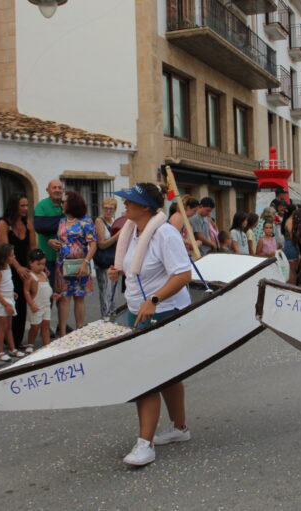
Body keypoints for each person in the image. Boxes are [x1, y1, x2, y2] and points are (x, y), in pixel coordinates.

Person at [107, 183, 192, 467]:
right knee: (167, 374)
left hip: (163, 312)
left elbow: (183, 274)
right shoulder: (134, 232)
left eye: (129, 202)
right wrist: (115, 273)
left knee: (146, 375)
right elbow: (137, 270)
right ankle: (180, 428)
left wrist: (154, 299)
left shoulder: (165, 234)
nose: (124, 206)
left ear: (145, 207)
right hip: (138, 311)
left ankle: (145, 444)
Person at [0, 193, 37, 352]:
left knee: (20, 301)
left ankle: (15, 339)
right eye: (22, 205)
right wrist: (18, 267)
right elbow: (5, 249)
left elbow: (32, 247)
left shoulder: (27, 223)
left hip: (21, 264)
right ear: (14, 206)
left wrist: (36, 264)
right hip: (3, 266)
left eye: (26, 205)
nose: (25, 209)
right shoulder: (3, 223)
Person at [55, 191, 97, 338]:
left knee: (79, 297)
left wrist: (85, 263)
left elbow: (93, 245)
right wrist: (52, 243)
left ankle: (79, 330)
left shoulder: (85, 222)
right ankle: (62, 333)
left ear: (72, 203)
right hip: (62, 264)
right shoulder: (62, 221)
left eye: (64, 201)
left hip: (80, 264)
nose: (62, 204)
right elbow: (61, 239)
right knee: (64, 297)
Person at [34, 179, 65, 289]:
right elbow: (39, 227)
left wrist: (50, 224)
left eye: (60, 188)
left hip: (65, 258)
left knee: (62, 294)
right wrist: (62, 220)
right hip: (46, 257)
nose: (57, 190)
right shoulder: (41, 205)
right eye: (54, 187)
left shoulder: (66, 205)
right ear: (48, 190)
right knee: (48, 291)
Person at [93, 197, 121, 318]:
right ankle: (106, 317)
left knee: (113, 292)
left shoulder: (114, 221)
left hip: (113, 260)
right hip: (103, 261)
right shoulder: (99, 221)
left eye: (111, 208)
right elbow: (101, 244)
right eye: (106, 208)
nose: (108, 211)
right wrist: (117, 236)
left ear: (115, 210)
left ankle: (112, 315)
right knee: (105, 292)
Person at [24, 249, 56, 349]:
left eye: (43, 264)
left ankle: (46, 344)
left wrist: (52, 295)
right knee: (35, 326)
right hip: (36, 305)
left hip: (46, 304)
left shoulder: (43, 274)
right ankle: (30, 344)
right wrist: (31, 304)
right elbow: (26, 291)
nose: (41, 267)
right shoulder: (30, 277)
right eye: (38, 264)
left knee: (46, 325)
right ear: (31, 263)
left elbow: (47, 287)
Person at [283, 206, 301, 285]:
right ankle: (292, 287)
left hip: (290, 244)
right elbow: (292, 235)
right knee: (292, 269)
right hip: (291, 245)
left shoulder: (290, 220)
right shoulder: (290, 221)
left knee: (293, 268)